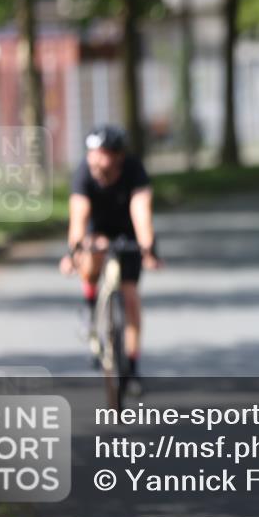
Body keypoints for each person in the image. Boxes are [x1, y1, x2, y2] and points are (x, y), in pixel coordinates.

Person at [59, 125, 160, 388]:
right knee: (90, 257)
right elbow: (79, 215)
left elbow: (141, 210)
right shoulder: (83, 173)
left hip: (128, 234)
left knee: (130, 298)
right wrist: (73, 252)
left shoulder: (134, 170)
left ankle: (133, 366)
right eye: (91, 153)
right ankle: (91, 306)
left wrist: (148, 247)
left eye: (101, 153)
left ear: (117, 156)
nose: (94, 159)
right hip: (97, 230)